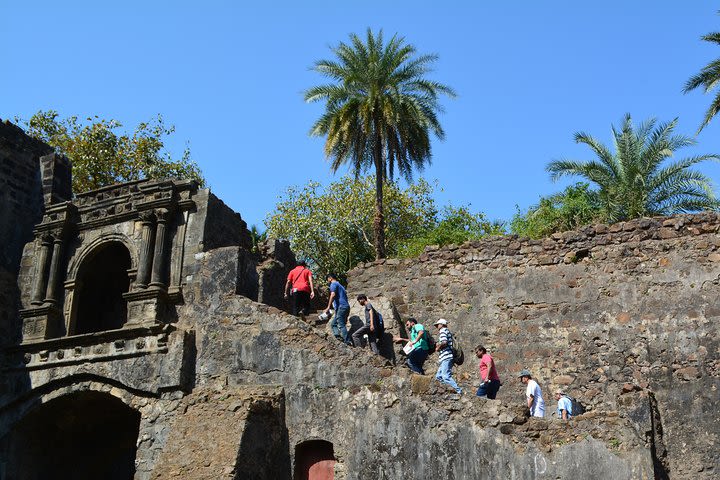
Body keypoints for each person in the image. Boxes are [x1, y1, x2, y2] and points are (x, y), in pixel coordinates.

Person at [434, 319, 462, 394]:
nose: (437, 326)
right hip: (445, 357)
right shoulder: (446, 331)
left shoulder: (443, 330)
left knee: (445, 376)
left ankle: (458, 390)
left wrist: (438, 347)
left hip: (446, 356)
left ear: (442, 324)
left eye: (438, 325)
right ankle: (448, 389)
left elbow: (444, 342)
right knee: (438, 376)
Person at [324, 273, 351, 345]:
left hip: (341, 307)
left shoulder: (333, 284)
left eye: (328, 280)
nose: (328, 281)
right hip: (346, 307)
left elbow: (333, 295)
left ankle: (347, 341)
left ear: (330, 278)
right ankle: (338, 337)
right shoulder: (341, 286)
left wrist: (328, 307)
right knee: (333, 324)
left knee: (341, 324)